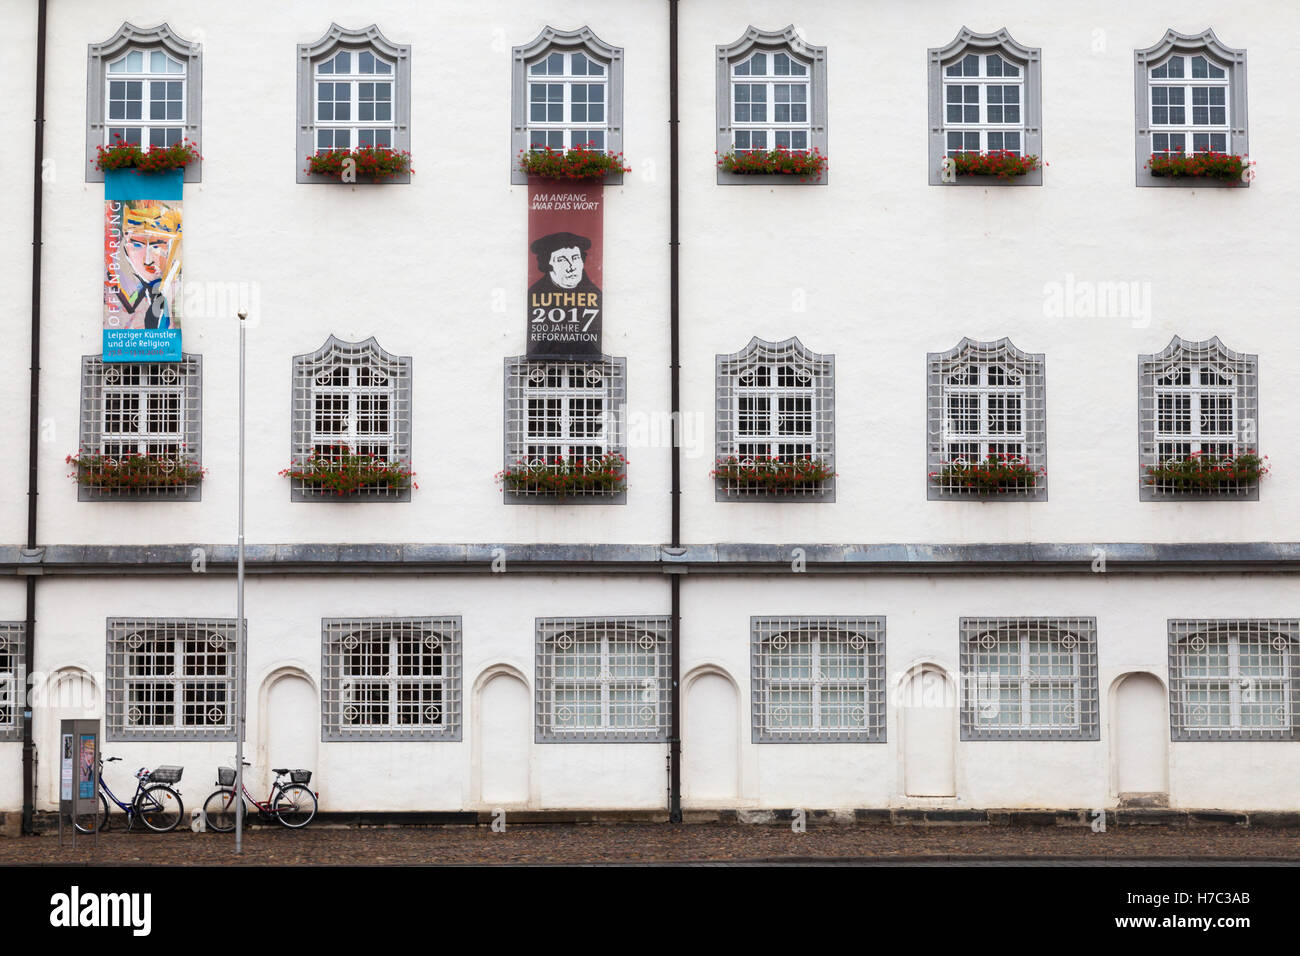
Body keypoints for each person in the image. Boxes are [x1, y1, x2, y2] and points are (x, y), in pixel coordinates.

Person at [528, 231, 601, 306]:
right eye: (562, 260)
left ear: (582, 262)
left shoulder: (595, 295)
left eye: (575, 258)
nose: (571, 267)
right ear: (547, 264)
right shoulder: (535, 295)